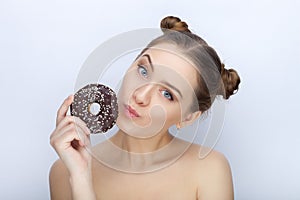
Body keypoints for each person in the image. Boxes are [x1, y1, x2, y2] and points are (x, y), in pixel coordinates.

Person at [49, 16, 240, 200]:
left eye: (167, 94)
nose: (140, 96)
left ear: (188, 118)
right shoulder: (65, 170)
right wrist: (81, 178)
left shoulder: (209, 170)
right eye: (143, 71)